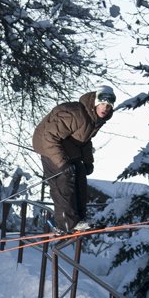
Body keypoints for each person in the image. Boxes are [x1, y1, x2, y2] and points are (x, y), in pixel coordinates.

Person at [32, 84, 116, 233]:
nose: (105, 108)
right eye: (102, 104)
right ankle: (65, 224)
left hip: (68, 147)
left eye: (108, 106)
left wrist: (88, 162)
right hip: (48, 145)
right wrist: (62, 163)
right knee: (64, 179)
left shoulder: (94, 119)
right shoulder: (75, 114)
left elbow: (84, 140)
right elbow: (49, 137)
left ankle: (80, 220)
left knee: (80, 176)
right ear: (95, 103)